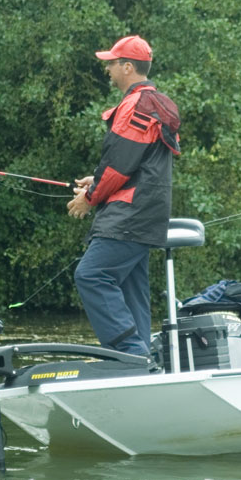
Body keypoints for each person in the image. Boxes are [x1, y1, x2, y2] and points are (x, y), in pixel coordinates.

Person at [67, 35, 180, 356]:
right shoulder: (154, 101)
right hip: (145, 213)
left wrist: (89, 198)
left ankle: (128, 352)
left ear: (128, 67)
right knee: (131, 288)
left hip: (129, 215)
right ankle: (139, 356)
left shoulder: (136, 104)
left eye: (112, 63)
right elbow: (135, 165)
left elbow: (119, 165)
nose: (108, 69)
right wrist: (97, 180)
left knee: (91, 275)